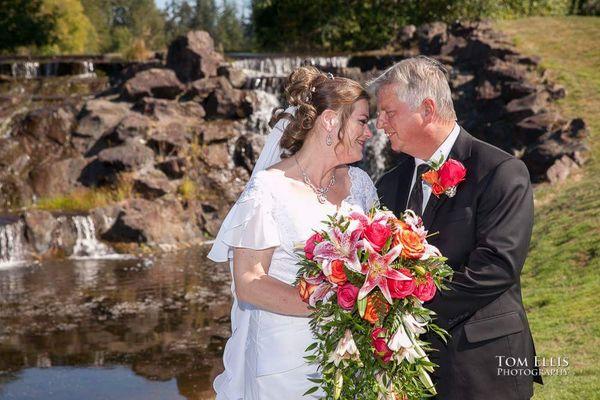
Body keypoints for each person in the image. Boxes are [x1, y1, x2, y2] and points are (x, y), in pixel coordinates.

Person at [371, 56, 542, 400]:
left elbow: (495, 268)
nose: (380, 124)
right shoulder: (388, 185)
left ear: (427, 109)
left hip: (483, 365)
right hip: (409, 369)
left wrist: (405, 313)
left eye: (389, 113)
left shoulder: (500, 171)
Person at [207, 66, 378, 399]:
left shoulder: (361, 185)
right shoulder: (269, 188)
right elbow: (250, 283)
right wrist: (332, 306)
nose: (368, 133)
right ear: (330, 120)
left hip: (352, 354)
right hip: (286, 361)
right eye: (362, 121)